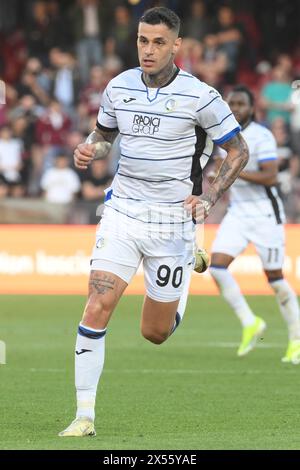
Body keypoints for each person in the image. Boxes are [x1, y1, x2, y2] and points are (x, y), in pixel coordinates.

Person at [59, 7, 248, 437]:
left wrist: (210, 196)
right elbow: (104, 135)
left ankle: (181, 286)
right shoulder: (118, 86)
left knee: (155, 333)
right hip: (123, 210)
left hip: (172, 221)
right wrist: (90, 149)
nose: (148, 49)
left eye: (158, 42)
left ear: (177, 45)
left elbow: (238, 151)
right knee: (97, 302)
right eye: (143, 40)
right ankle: (84, 415)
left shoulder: (201, 97)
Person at [209, 85, 300, 363]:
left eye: (241, 103)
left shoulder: (261, 136)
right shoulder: (223, 137)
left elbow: (271, 176)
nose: (235, 108)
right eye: (231, 103)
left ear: (252, 108)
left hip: (265, 215)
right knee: (216, 266)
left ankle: (296, 339)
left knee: (275, 278)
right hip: (238, 213)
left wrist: (232, 171)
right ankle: (250, 322)